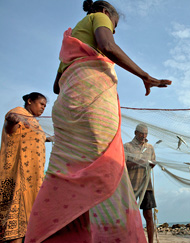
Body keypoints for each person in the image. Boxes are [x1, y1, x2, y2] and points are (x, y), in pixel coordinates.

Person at [25, 1, 171, 242]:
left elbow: (56, 86)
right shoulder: (98, 18)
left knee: (65, 171)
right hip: (92, 103)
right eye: (113, 25)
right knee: (106, 168)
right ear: (106, 13)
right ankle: (114, 236)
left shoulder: (72, 39)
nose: (111, 30)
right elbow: (107, 45)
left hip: (67, 108)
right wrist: (146, 76)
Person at [0, 92, 47, 243]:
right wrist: (12, 121)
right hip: (20, 176)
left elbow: (34, 137)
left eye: (45, 106)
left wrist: (49, 138)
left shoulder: (34, 122)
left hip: (34, 178)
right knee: (17, 212)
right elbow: (10, 128)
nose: (43, 108)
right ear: (29, 101)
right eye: (41, 104)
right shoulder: (17, 113)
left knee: (29, 216)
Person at [124, 124, 157, 243]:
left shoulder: (150, 147)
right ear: (135, 133)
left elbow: (152, 162)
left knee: (148, 215)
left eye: (146, 134)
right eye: (141, 133)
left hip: (146, 185)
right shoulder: (127, 146)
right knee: (130, 215)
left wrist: (152, 164)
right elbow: (123, 164)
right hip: (131, 185)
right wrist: (138, 162)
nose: (144, 136)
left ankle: (151, 242)